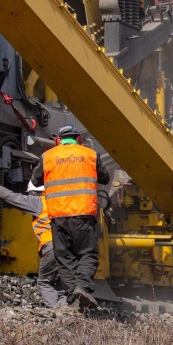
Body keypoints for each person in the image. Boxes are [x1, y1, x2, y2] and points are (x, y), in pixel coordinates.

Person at [30, 125, 110, 310]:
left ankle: (72, 295)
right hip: (83, 214)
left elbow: (35, 181)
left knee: (64, 257)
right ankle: (82, 287)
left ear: (58, 140)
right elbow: (104, 178)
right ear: (78, 139)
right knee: (87, 253)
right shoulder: (90, 155)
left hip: (58, 216)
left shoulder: (48, 156)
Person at [0, 182, 65, 309]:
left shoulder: (38, 203)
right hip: (68, 247)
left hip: (51, 245)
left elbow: (11, 197)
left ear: (35, 192)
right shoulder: (61, 202)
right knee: (63, 279)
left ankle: (56, 311)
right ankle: (65, 307)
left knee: (45, 281)